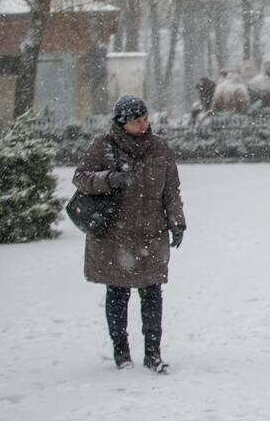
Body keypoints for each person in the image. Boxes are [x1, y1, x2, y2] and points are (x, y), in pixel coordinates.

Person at [73, 95, 186, 374]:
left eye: (146, 118)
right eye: (138, 121)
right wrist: (108, 179)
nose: (144, 124)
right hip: (115, 234)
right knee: (118, 292)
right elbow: (80, 177)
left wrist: (177, 222)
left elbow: (171, 191)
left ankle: (152, 353)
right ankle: (121, 353)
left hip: (151, 233)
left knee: (152, 293)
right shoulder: (103, 146)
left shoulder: (160, 149)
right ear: (123, 123)